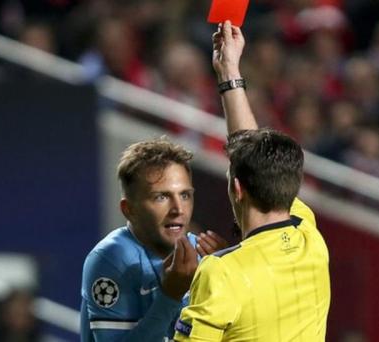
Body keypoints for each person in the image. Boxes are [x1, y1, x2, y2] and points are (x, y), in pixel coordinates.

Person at [165, 21, 331, 341]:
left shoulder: (221, 272)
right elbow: (251, 149)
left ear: (237, 189)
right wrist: (229, 72)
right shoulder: (310, 238)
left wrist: (179, 292)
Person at [80, 137, 227, 341]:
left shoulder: (204, 254)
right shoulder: (111, 260)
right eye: (161, 197)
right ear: (129, 210)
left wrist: (229, 285)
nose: (178, 209)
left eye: (185, 195)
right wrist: (170, 297)